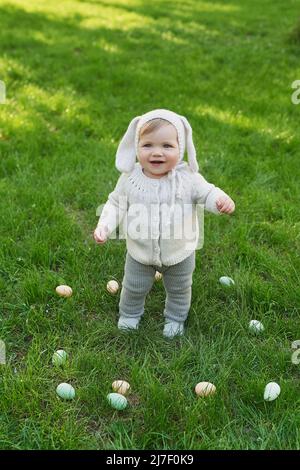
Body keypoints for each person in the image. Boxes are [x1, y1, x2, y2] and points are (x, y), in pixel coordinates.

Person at [94, 109, 235, 338]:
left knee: (180, 289)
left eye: (167, 146)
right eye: (148, 145)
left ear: (180, 148)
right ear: (136, 147)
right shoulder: (129, 178)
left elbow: (206, 192)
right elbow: (115, 204)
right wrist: (105, 226)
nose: (157, 153)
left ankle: (175, 318)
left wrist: (219, 200)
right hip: (140, 252)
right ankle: (129, 314)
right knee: (133, 286)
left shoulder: (188, 177)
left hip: (180, 252)